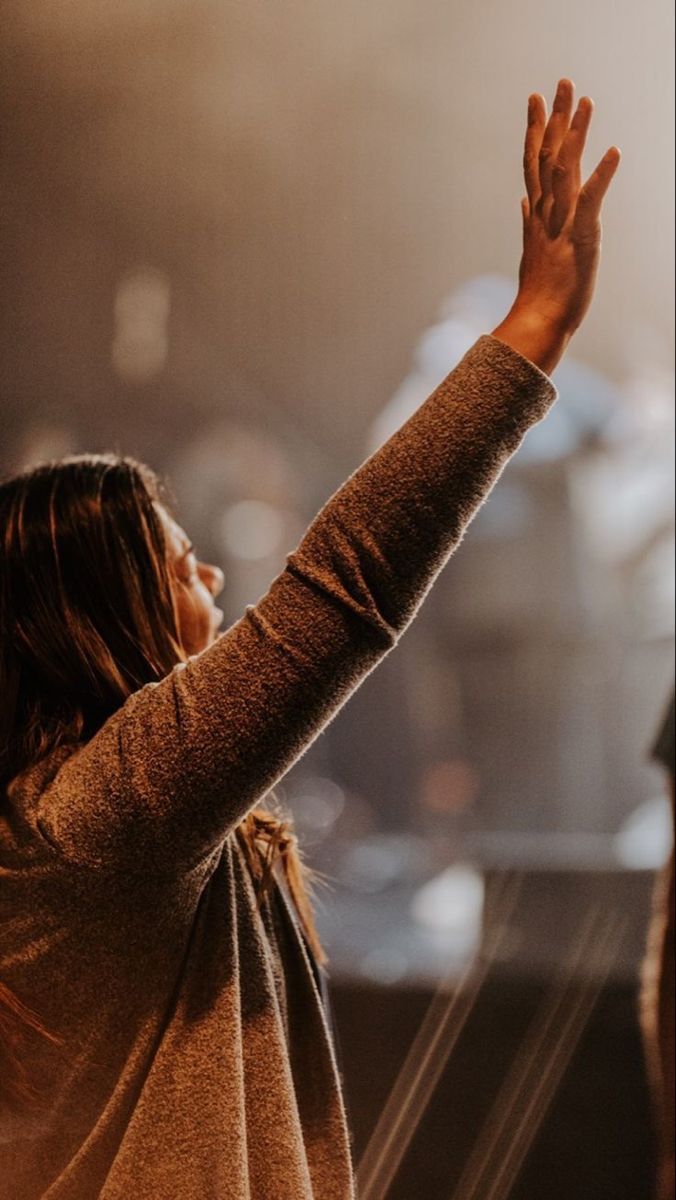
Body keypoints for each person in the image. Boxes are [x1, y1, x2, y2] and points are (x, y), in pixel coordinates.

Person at [0, 80, 619, 1199]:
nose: (217, 577)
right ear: (99, 613)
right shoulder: (107, 810)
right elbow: (339, 589)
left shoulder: (75, 813)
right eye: (181, 566)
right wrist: (529, 337)